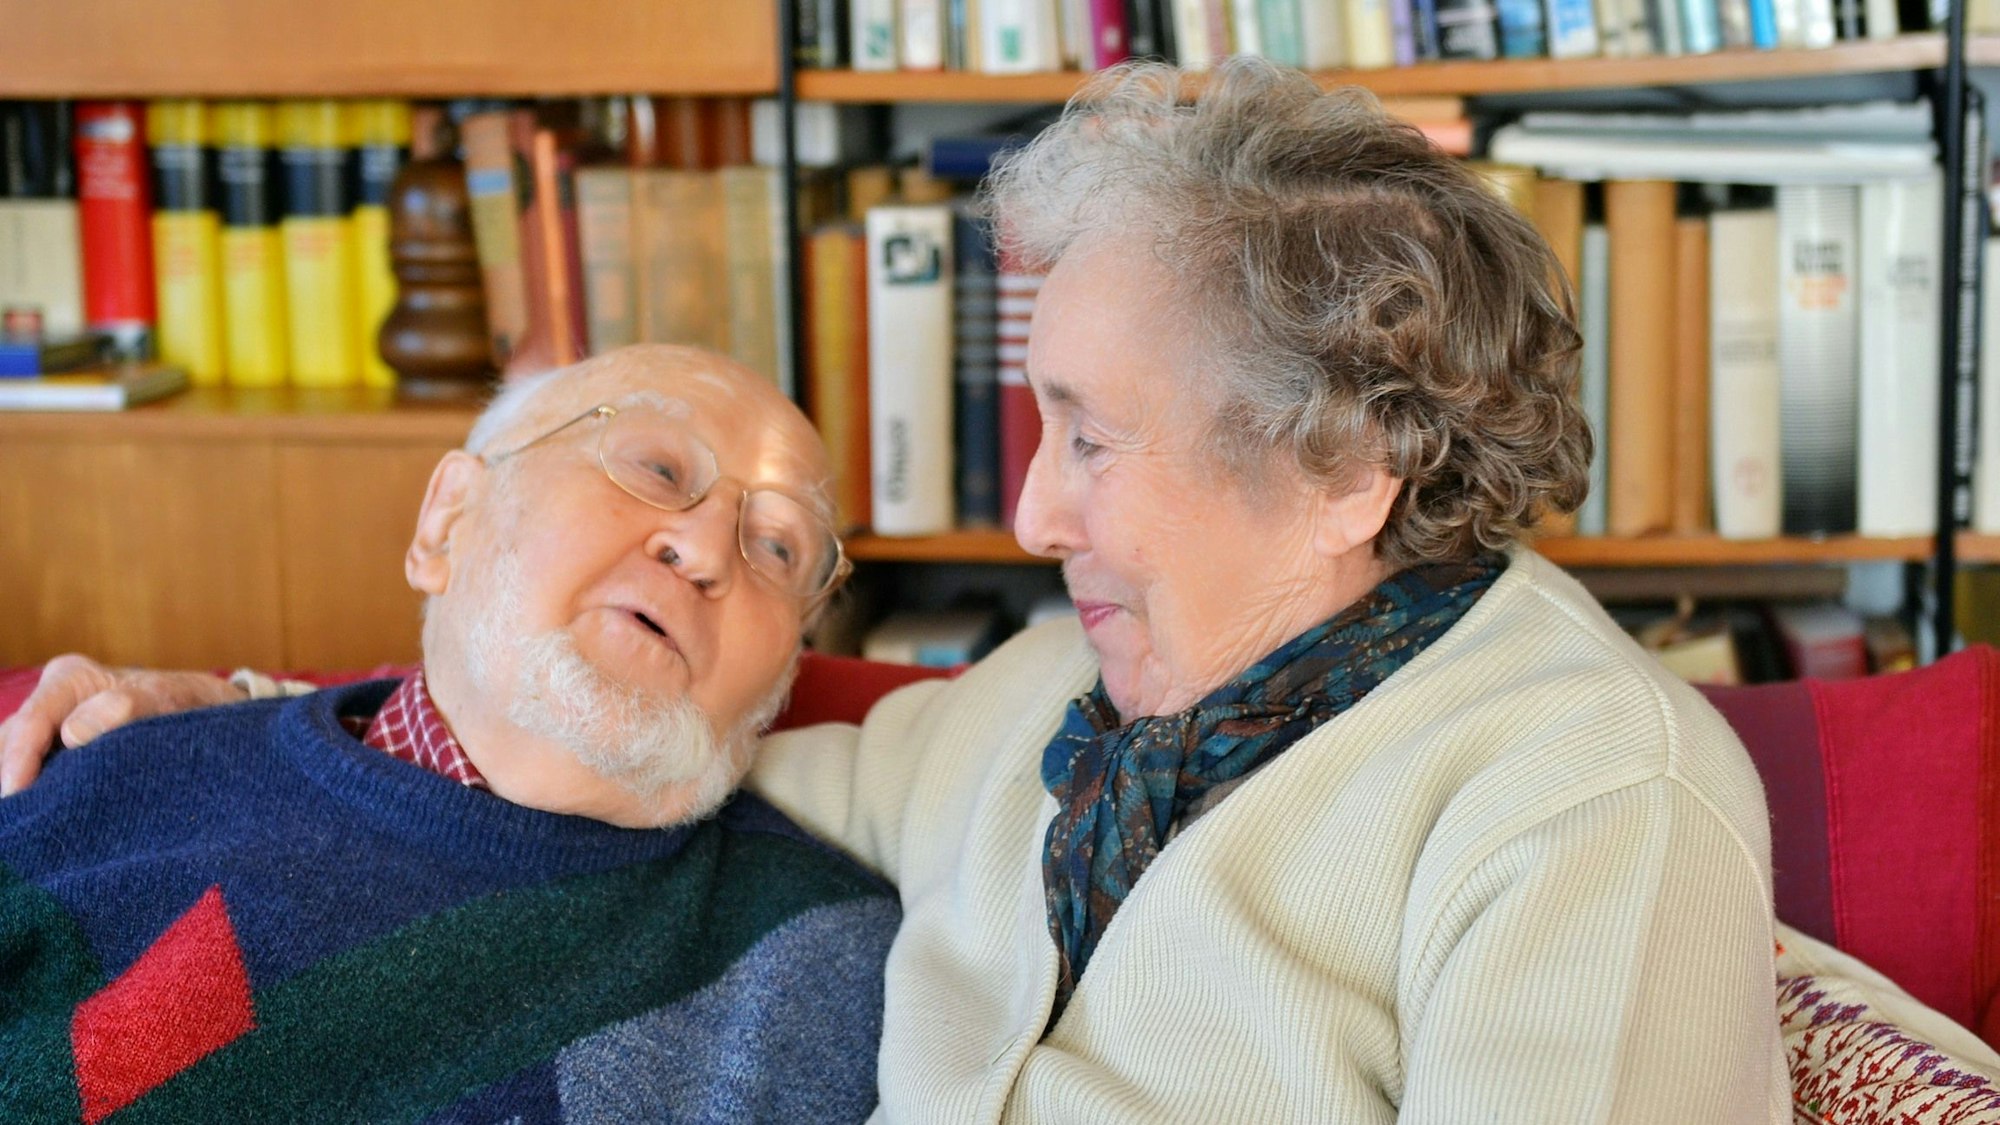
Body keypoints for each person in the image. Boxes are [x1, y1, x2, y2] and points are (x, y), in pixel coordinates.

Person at [1, 60, 1788, 1122]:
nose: (1025, 513)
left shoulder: (1582, 800)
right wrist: (223, 712)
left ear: (1340, 470)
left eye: (1089, 440)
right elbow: (611, 734)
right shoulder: (1031, 711)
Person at [0, 345, 895, 1122]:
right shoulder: (115, 766)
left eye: (778, 548)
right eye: (658, 470)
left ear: (782, 676)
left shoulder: (818, 958)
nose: (703, 552)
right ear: (447, 521)